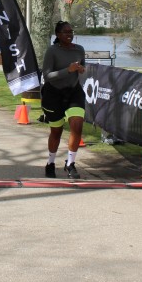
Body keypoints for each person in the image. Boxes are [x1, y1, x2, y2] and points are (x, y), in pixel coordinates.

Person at [41, 21, 86, 179]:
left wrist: (80, 69)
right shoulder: (52, 51)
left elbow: (82, 67)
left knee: (77, 126)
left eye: (71, 31)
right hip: (54, 94)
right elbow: (47, 76)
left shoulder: (79, 49)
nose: (69, 34)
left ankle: (70, 164)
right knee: (56, 131)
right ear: (58, 35)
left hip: (73, 92)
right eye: (66, 32)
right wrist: (68, 70)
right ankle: (50, 163)